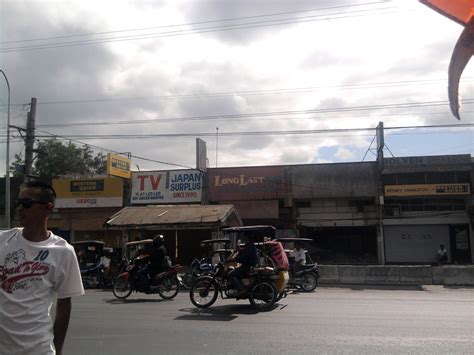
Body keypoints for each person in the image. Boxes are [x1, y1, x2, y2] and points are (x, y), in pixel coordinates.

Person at [0, 180, 84, 355]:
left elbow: (64, 305)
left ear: (48, 207)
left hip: (39, 348)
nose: (20, 208)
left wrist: (58, 350)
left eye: (27, 203)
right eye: (19, 203)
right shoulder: (3, 241)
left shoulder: (63, 252)